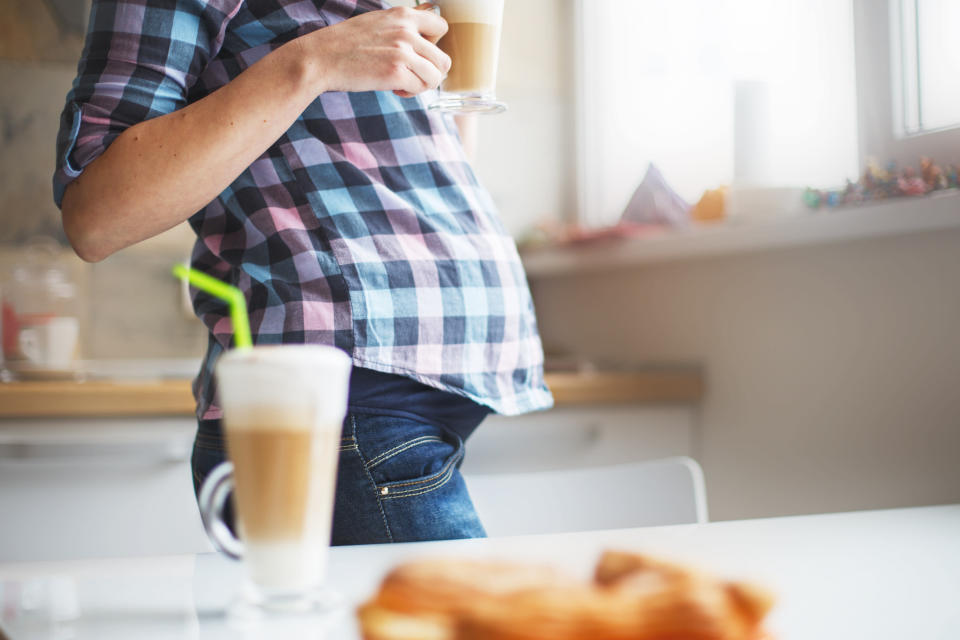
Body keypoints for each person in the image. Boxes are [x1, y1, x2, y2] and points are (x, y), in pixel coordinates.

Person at [54, 0, 552, 545]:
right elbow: (97, 215)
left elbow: (407, 175)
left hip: (396, 406)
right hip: (340, 405)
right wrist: (313, 62)